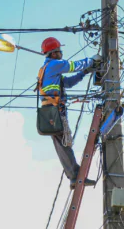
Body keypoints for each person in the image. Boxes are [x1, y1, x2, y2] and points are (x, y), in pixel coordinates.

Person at [37, 37, 102, 189]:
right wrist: (91, 61)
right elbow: (73, 65)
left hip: (50, 111)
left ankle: (74, 175)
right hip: (54, 110)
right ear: (53, 54)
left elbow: (69, 83)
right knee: (63, 143)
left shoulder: (50, 70)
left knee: (62, 143)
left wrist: (85, 72)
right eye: (59, 51)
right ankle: (75, 175)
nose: (61, 54)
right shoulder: (54, 65)